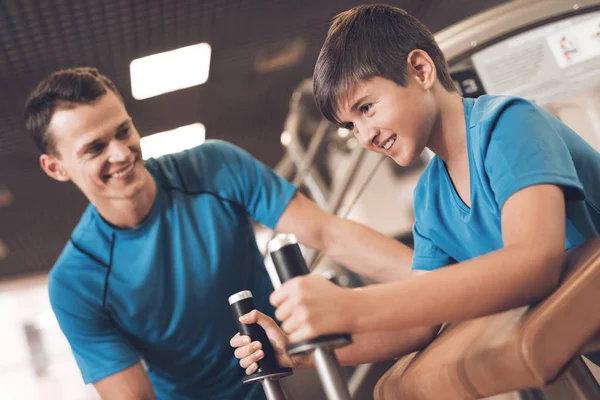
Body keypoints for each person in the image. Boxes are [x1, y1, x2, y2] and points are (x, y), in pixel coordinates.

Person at [231, 4, 600, 374]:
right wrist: (298, 352)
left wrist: (352, 306)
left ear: (421, 70)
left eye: (367, 107)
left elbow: (535, 264)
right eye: (351, 126)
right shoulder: (430, 197)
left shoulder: (508, 124)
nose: (365, 136)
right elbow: (418, 325)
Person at [24, 67, 416, 399]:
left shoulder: (213, 166)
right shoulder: (76, 282)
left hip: (290, 369)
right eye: (95, 148)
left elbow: (329, 234)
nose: (122, 153)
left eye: (123, 131)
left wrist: (434, 284)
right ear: (56, 167)